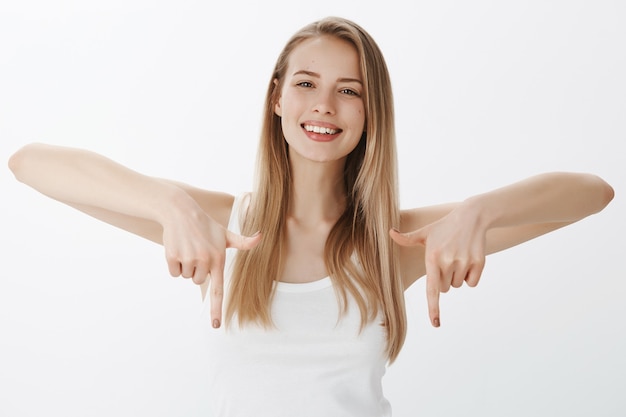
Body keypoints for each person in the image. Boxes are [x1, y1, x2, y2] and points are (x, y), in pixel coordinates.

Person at [8, 16, 614, 417]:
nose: (325, 105)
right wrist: (169, 204)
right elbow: (31, 163)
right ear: (277, 98)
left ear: (372, 111)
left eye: (350, 90)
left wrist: (482, 210)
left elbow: (594, 192)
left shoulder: (397, 243)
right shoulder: (221, 229)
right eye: (306, 82)